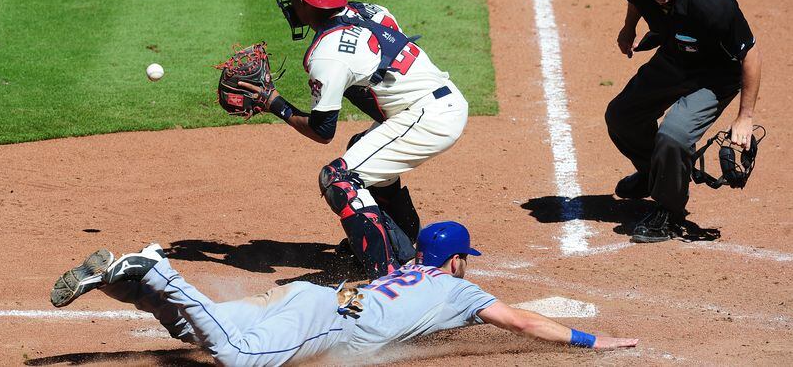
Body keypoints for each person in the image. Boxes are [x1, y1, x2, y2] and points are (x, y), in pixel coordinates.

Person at [49, 221, 638, 366]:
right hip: (327, 320)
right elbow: (523, 322)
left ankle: (120, 280)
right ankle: (155, 269)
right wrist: (590, 339)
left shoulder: (404, 271)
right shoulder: (462, 292)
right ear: (456, 259)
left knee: (188, 331)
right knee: (235, 358)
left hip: (303, 299)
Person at [240, 0, 469, 278]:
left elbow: (322, 131)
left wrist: (274, 102)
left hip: (428, 117)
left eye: (292, 0)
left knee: (338, 179)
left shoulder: (327, 55)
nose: (290, 8)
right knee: (361, 149)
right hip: (440, 102)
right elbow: (376, 87)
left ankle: (388, 277)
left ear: (305, 4)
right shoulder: (372, 10)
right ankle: (405, 246)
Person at [606, 0, 761, 243]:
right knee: (622, 116)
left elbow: (750, 55)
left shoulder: (714, 5)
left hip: (714, 75)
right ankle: (656, 175)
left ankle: (668, 211)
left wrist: (745, 117)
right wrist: (629, 27)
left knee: (674, 135)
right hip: (676, 56)